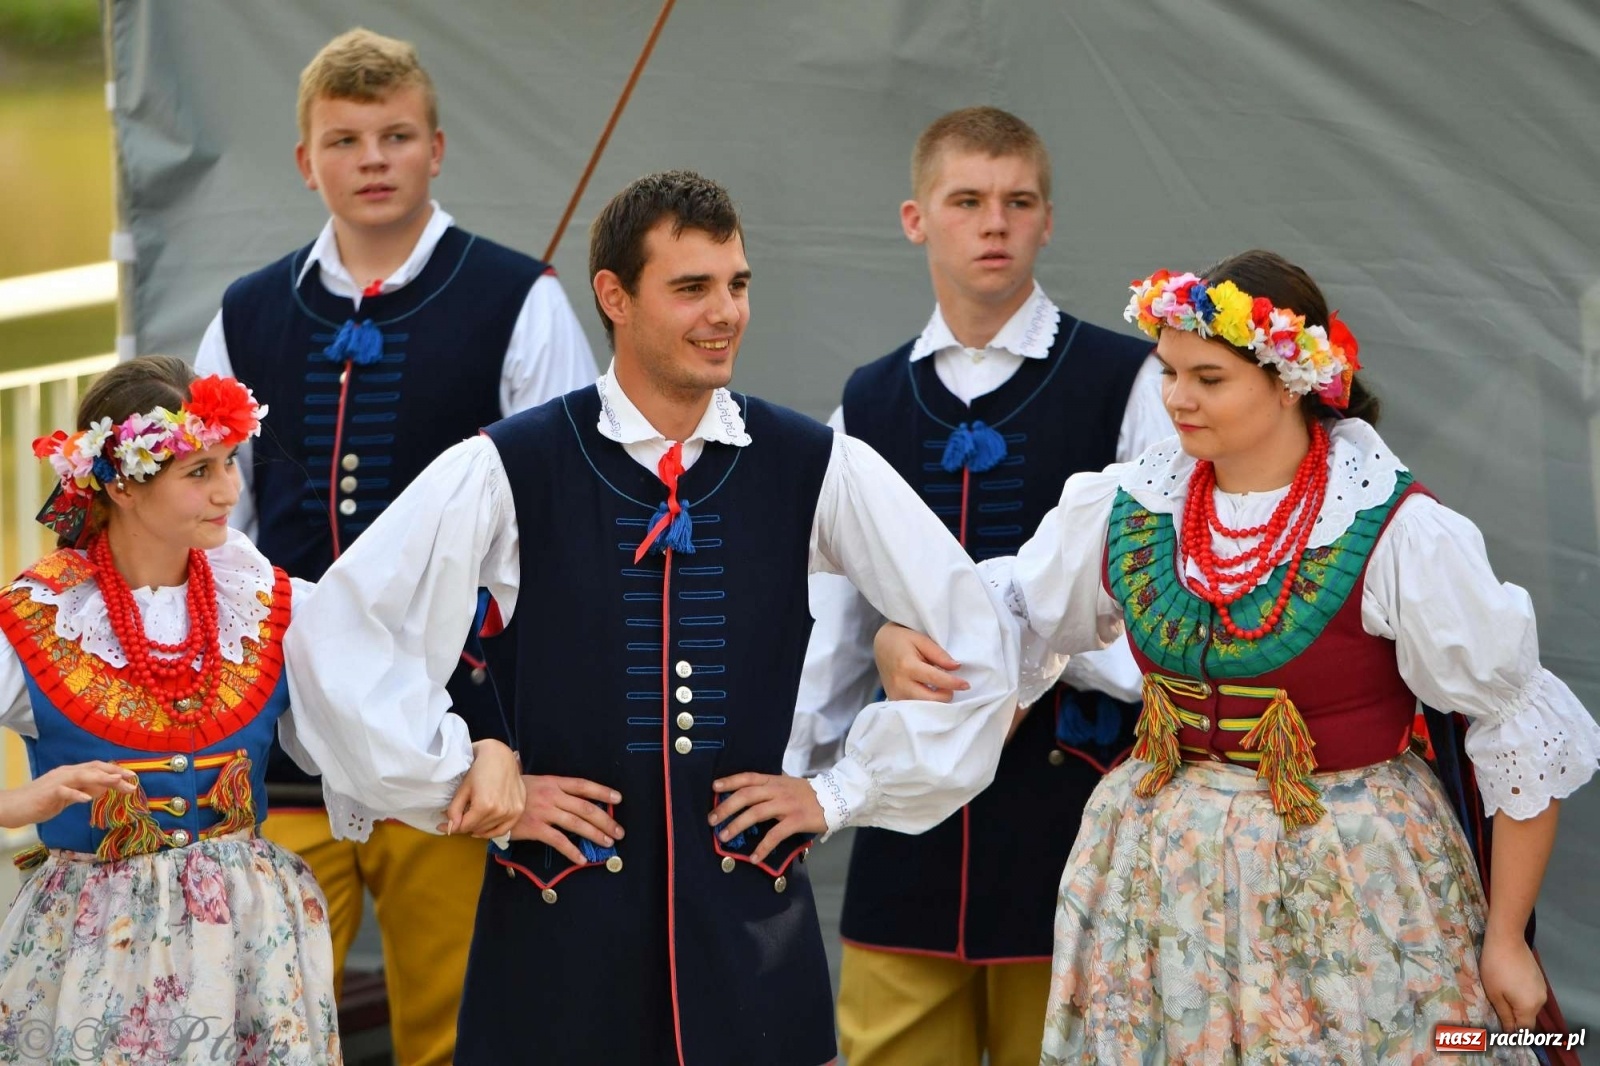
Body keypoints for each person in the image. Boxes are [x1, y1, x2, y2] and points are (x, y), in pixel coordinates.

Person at [281, 170, 1023, 1066]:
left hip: (749, 951)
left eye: (738, 284)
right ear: (615, 297)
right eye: (692, 288)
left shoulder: (815, 464)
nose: (726, 313)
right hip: (557, 953)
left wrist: (835, 791)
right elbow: (339, 636)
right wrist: (454, 778)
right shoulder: (508, 467)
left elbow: (981, 638)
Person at [873, 250, 1600, 1064]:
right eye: (1169, 372)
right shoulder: (1132, 505)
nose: (1177, 398)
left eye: (1209, 378)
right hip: (1163, 876)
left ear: (1288, 380)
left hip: (1348, 873)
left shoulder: (1393, 528)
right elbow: (1008, 615)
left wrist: (1505, 937)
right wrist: (899, 636)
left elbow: (1517, 732)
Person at [193, 28, 595, 1065]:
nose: (372, 158)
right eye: (346, 138)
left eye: (395, 135)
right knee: (265, 1019)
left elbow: (557, 534)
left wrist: (507, 727)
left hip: (448, 730)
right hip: (278, 739)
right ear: (305, 161)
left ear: (436, 148)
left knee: (455, 1026)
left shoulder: (519, 298)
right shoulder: (247, 312)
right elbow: (205, 526)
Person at [0, 357, 522, 1066]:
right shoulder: (42, 619)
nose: (228, 491)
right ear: (121, 484)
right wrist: (15, 802)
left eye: (228, 464)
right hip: (96, 942)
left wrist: (488, 746)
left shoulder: (262, 604)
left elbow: (380, 683)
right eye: (198, 472)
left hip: (247, 938)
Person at [788, 106, 1167, 1066]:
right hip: (906, 832)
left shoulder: (1131, 382)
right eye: (967, 201)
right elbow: (830, 624)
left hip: (1072, 812)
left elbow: (1168, 605)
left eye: (1017, 201)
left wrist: (1031, 657)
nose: (993, 223)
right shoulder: (866, 401)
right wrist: (797, 784)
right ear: (917, 218)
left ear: (1047, 219)